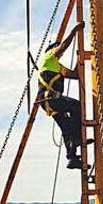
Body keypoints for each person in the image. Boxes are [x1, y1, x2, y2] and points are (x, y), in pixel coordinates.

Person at [37, 28, 84, 169]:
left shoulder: (56, 65)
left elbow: (75, 75)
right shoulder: (48, 57)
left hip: (48, 102)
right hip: (51, 99)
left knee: (66, 127)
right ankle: (76, 138)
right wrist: (74, 31)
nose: (61, 52)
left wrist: (79, 58)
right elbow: (63, 46)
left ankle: (72, 157)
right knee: (76, 106)